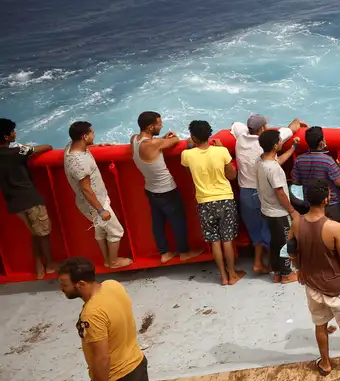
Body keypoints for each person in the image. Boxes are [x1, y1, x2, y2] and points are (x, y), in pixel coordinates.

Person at [289, 180, 340, 375]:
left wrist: (299, 269)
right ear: (326, 200)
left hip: (312, 284)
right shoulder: (334, 227)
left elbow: (291, 248)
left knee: (320, 325)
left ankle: (325, 363)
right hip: (337, 286)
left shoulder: (297, 222)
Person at [230, 114, 305, 274]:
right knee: (271, 230)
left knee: (256, 231)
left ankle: (258, 263)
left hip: (244, 193)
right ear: (263, 129)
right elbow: (293, 127)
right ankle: (278, 268)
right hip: (261, 194)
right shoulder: (267, 144)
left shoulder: (240, 138)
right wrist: (297, 123)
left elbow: (235, 123)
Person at [133, 111, 202, 263]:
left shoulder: (135, 140)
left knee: (158, 222)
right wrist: (169, 138)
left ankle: (164, 253)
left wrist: (162, 139)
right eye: (159, 123)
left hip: (150, 189)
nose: (162, 125)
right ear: (151, 127)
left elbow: (155, 144)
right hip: (166, 190)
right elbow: (175, 141)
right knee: (178, 221)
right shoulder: (153, 144)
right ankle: (184, 252)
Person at [181, 120, 243, 286]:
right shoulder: (221, 151)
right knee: (227, 239)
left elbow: (189, 170)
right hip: (225, 199)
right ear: (209, 135)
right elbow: (232, 175)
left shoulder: (187, 155)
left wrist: (189, 146)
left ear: (193, 137)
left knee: (215, 241)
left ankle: (222, 276)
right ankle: (232, 275)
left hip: (204, 202)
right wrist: (222, 149)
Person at [64, 121, 133, 270]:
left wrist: (95, 146)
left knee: (101, 230)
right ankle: (113, 262)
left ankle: (107, 260)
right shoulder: (79, 162)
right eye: (91, 133)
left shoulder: (70, 148)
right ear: (84, 136)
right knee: (116, 231)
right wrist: (101, 210)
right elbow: (86, 189)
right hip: (95, 203)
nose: (93, 135)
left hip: (88, 203)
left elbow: (79, 147)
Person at [0, 117, 57, 278]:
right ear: (6, 137)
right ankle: (51, 265)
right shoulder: (16, 152)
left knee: (35, 233)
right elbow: (47, 147)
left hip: (13, 203)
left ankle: (39, 266)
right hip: (30, 199)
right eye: (12, 131)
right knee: (43, 233)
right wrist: (24, 148)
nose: (14, 133)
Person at [256, 129, 301, 284]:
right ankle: (287, 274)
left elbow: (277, 161)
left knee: (275, 242)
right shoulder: (273, 169)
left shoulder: (261, 160)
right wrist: (292, 211)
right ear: (275, 145)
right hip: (279, 212)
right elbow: (280, 192)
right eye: (280, 141)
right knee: (285, 242)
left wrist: (292, 148)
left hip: (267, 210)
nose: (282, 142)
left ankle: (276, 272)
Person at [290, 125, 340, 223]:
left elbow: (295, 181)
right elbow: (339, 182)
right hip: (330, 203)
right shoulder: (328, 161)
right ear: (321, 143)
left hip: (310, 203)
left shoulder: (300, 160)